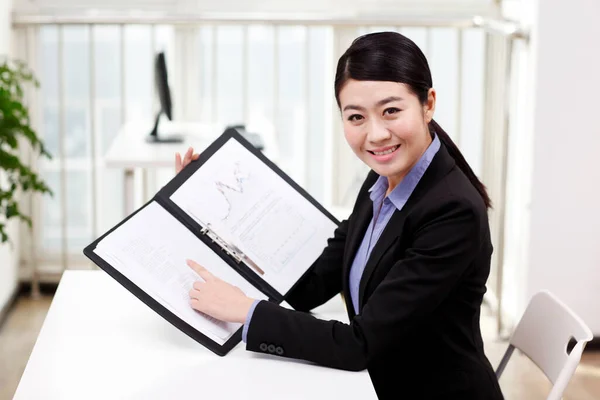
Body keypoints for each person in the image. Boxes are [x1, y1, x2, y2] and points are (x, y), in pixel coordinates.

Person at [175, 31, 504, 400]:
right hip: (377, 382)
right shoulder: (382, 180)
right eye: (356, 117)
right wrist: (210, 209)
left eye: (391, 110)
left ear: (428, 103)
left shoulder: (451, 212)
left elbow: (358, 345)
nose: (376, 134)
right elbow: (310, 286)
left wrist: (247, 311)